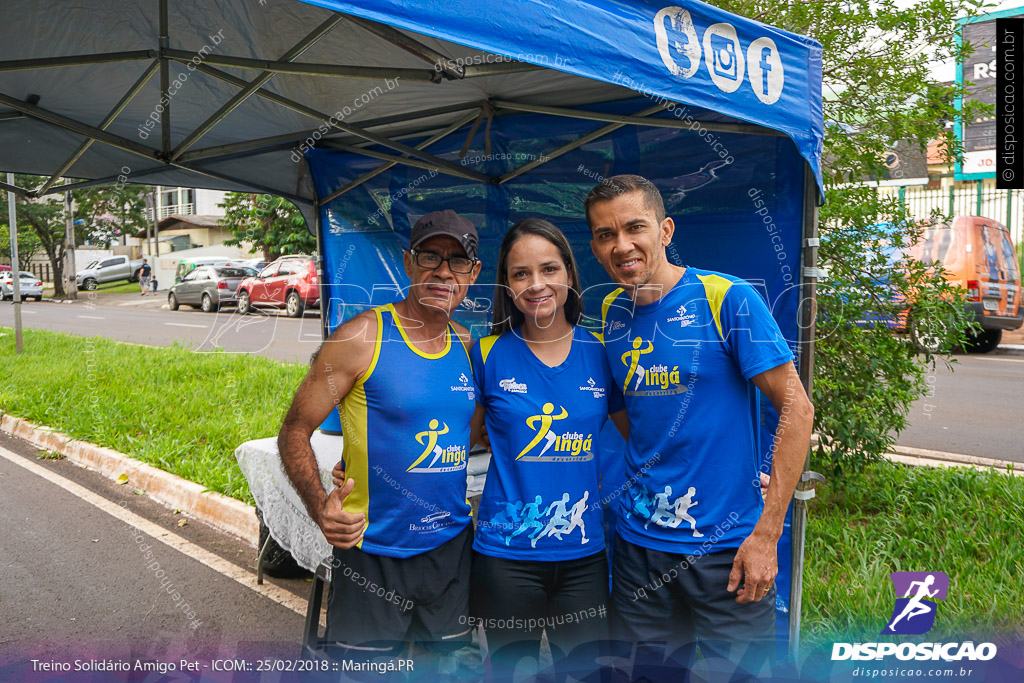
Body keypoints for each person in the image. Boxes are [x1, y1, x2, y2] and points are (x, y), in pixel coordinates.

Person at [585, 175, 814, 678]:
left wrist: (767, 530)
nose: (621, 245)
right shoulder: (611, 312)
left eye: (634, 227)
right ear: (596, 247)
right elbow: (628, 409)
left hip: (727, 551)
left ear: (665, 230)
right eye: (605, 234)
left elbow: (798, 407)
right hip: (638, 550)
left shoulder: (725, 298)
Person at [277, 210, 482, 672]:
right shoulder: (360, 338)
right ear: (409, 263)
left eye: (458, 261)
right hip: (373, 555)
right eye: (431, 256)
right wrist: (320, 506)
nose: (443, 272)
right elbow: (294, 429)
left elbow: (465, 437)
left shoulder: (467, 344)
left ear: (474, 274)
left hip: (450, 552)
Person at [466, 218, 628, 678]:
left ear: (570, 275)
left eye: (549, 269)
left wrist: (737, 472)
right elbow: (459, 440)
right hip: (505, 559)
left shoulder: (601, 352)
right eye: (521, 274)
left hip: (583, 558)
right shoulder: (486, 353)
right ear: (508, 284)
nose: (536, 284)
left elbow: (648, 438)